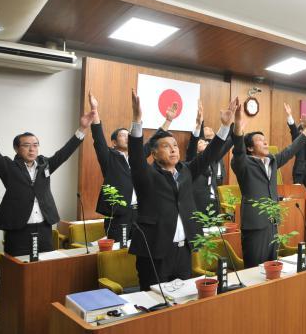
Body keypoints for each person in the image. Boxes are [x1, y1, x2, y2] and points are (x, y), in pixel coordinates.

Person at [128, 90, 237, 290]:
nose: (173, 149)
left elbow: (210, 154)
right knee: (155, 306)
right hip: (155, 252)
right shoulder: (147, 175)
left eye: (175, 145)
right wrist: (136, 120)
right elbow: (135, 158)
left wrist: (225, 126)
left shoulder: (186, 171)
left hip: (183, 251)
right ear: (154, 153)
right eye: (166, 146)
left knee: (183, 301)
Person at [0, 103, 94, 256]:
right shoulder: (8, 167)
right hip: (18, 229)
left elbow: (64, 153)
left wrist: (82, 129)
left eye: (35, 145)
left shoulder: (45, 164)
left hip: (44, 227)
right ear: (17, 149)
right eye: (26, 145)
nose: (32, 149)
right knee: (19, 267)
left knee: (44, 267)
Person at [231, 103, 306, 268]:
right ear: (250, 148)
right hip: (255, 225)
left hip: (272, 222)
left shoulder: (272, 161)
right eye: (259, 141)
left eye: (265, 140)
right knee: (254, 270)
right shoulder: (243, 164)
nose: (265, 143)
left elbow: (292, 149)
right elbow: (238, 150)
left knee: (272, 268)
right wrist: (237, 127)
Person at [89, 91, 179, 243]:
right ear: (114, 143)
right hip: (119, 215)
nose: (127, 137)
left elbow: (153, 141)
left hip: (140, 212)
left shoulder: (136, 157)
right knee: (120, 251)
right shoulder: (109, 157)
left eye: (128, 134)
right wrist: (95, 112)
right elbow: (98, 138)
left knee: (140, 248)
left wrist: (168, 120)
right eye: (122, 135)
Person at [185, 100, 234, 215]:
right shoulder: (191, 162)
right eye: (201, 142)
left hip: (214, 205)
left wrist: (235, 125)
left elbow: (224, 143)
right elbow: (192, 145)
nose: (204, 143)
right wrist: (199, 124)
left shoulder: (213, 158)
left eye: (206, 143)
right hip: (198, 208)